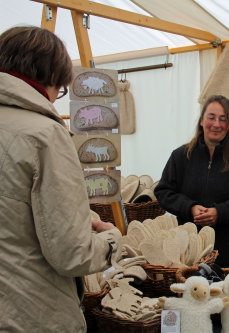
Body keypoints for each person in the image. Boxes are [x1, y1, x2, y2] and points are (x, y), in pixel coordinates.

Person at [0, 26, 122, 332]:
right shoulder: (45, 134)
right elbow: (72, 253)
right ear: (51, 78)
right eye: (62, 89)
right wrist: (110, 240)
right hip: (32, 313)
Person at [155, 95, 229, 268]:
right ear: (201, 121)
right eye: (211, 117)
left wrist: (220, 213)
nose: (216, 124)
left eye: (223, 119)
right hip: (188, 256)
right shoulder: (181, 156)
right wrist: (189, 207)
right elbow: (163, 192)